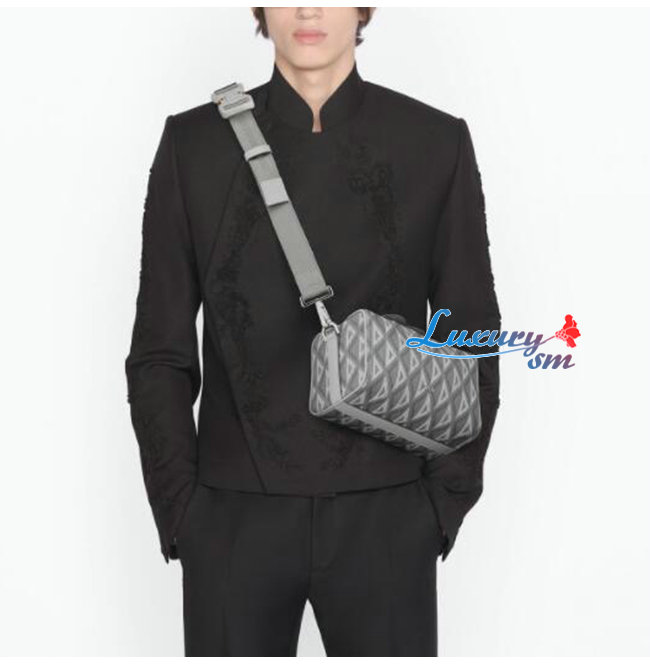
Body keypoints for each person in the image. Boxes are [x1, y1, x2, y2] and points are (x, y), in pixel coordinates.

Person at [124, 6, 501, 657]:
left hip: (388, 516)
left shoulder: (435, 143)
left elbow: (473, 335)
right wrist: (184, 512)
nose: (308, 10)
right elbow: (159, 352)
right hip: (232, 518)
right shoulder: (194, 144)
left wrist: (439, 506)